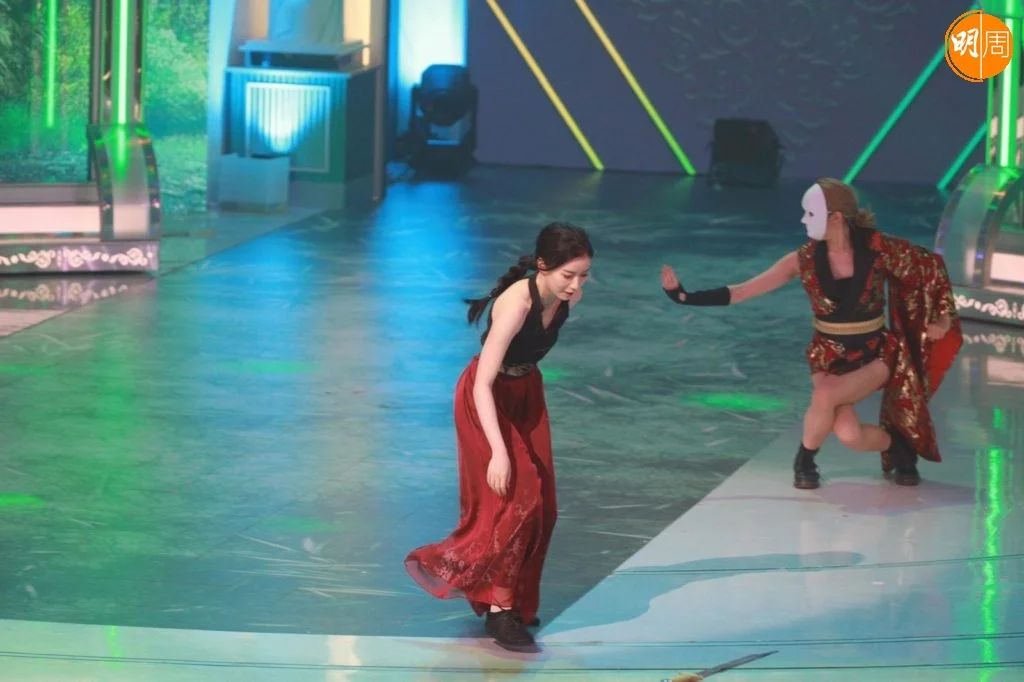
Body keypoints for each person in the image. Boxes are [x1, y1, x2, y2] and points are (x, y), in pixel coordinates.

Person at [660, 178, 962, 489]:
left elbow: (929, 268)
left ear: (836, 218)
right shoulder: (802, 259)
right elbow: (742, 291)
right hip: (827, 355)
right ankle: (898, 447)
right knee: (850, 434)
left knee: (824, 396)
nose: (804, 220)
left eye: (811, 214)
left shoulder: (880, 250)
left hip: (875, 353)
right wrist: (684, 296)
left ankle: (804, 459)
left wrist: (941, 319)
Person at [405, 222, 593, 650]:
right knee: (517, 502)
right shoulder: (516, 304)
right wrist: (498, 452)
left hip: (526, 394)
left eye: (583, 275)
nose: (576, 285)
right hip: (486, 400)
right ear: (543, 265)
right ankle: (499, 611)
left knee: (544, 507)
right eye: (569, 275)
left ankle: (515, 600)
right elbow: (482, 383)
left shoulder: (569, 296)